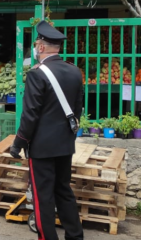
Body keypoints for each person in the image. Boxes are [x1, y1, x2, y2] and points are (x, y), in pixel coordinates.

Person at [9, 21, 84, 240]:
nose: (35, 48)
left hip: (42, 148)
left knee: (43, 197)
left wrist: (19, 142)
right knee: (64, 191)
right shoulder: (74, 71)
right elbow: (77, 109)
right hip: (65, 144)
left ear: (41, 47)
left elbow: (30, 114)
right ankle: (75, 236)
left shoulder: (37, 74)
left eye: (36, 45)